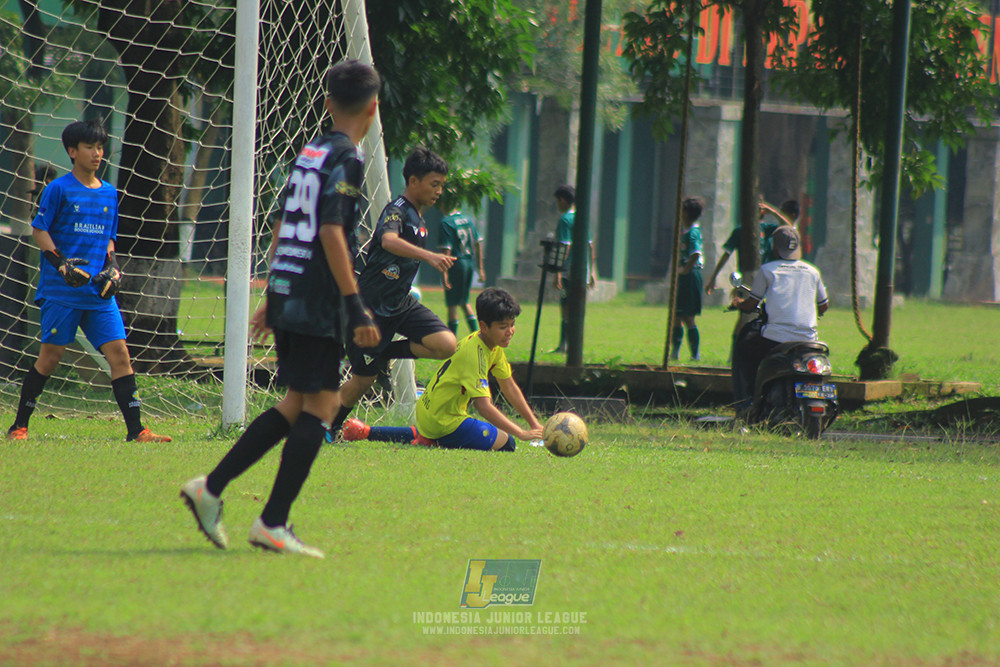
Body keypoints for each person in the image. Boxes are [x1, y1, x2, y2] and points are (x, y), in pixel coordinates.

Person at [180, 60, 382, 558]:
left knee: (296, 403)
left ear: (328, 103)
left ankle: (212, 489)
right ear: (373, 109)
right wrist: (355, 306)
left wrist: (273, 294)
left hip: (291, 289)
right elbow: (331, 231)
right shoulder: (348, 159)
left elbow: (283, 222)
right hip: (316, 300)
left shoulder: (311, 152)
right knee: (323, 407)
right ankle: (270, 521)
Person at [6, 120, 170, 444]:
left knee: (120, 355)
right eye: (89, 147)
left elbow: (109, 239)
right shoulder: (58, 189)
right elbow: (40, 230)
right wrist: (61, 264)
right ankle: (18, 427)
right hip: (62, 292)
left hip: (98, 294)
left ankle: (137, 431)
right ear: (72, 151)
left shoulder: (109, 193)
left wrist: (113, 267)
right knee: (50, 358)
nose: (97, 153)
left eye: (100, 147)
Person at [326, 147, 457, 439]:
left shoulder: (419, 219)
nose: (439, 191)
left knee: (446, 344)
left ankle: (383, 351)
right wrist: (430, 257)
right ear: (413, 181)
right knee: (363, 381)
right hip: (371, 307)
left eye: (441, 186)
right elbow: (388, 241)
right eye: (434, 184)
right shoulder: (396, 210)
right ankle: (328, 427)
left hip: (400, 303)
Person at [340, 287, 544, 451]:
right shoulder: (474, 354)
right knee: (508, 443)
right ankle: (433, 440)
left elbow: (509, 387)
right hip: (444, 422)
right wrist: (520, 433)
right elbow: (484, 407)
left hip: (430, 414)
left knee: (491, 435)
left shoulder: (493, 347)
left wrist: (534, 424)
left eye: (512, 324)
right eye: (503, 327)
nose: (510, 331)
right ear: (483, 326)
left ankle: (366, 431)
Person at [731, 225, 828, 409]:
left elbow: (751, 304)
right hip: (808, 338)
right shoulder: (812, 271)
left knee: (744, 347)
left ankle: (750, 397)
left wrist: (738, 303)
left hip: (775, 339)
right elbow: (823, 305)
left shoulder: (768, 270)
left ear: (775, 247)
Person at [704, 198, 797, 295]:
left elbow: (789, 229)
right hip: (746, 277)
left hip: (765, 277)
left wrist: (773, 212)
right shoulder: (740, 231)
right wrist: (713, 277)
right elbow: (726, 254)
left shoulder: (765, 228)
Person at [551, 184, 596, 353]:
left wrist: (558, 271)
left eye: (557, 201)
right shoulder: (582, 217)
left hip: (569, 270)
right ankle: (574, 345)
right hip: (583, 268)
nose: (557, 205)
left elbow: (564, 246)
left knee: (566, 308)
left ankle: (564, 345)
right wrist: (592, 271)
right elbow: (590, 245)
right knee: (577, 307)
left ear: (563, 200)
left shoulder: (565, 220)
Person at [438, 206, 485, 334]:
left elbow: (446, 249)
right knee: (465, 301)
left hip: (456, 264)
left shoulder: (446, 222)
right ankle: (477, 334)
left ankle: (452, 338)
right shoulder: (467, 219)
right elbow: (478, 243)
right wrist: (480, 268)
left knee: (452, 304)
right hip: (468, 263)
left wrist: (444, 273)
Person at [671, 197, 704, 361]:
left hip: (690, 276)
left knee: (688, 316)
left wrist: (685, 269)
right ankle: (675, 353)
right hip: (684, 277)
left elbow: (696, 253)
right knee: (676, 316)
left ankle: (694, 354)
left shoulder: (693, 232)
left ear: (686, 213)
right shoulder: (684, 231)